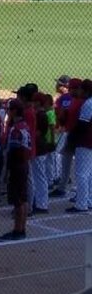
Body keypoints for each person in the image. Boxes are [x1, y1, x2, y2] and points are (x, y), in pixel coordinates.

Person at [3, 101, 31, 238]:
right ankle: (21, 229)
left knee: (18, 200)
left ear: (14, 111)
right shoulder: (24, 126)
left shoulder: (16, 129)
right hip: (24, 164)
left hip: (17, 165)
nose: (7, 111)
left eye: (9, 109)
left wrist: (7, 169)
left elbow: (13, 151)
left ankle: (18, 229)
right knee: (23, 198)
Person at [69, 80, 92, 213]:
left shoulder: (88, 103)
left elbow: (83, 125)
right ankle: (88, 200)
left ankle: (81, 204)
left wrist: (73, 139)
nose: (79, 92)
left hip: (85, 141)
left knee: (81, 173)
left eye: (81, 89)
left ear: (86, 90)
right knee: (89, 172)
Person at [52, 77, 77, 198]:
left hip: (67, 131)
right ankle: (63, 185)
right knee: (68, 159)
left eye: (59, 84)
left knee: (60, 155)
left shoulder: (64, 98)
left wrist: (59, 127)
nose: (57, 86)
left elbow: (58, 115)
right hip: (70, 131)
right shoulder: (79, 100)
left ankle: (59, 179)